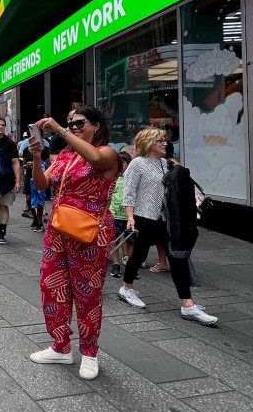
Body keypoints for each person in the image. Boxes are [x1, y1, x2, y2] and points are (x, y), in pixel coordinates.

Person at [27, 106, 120, 380]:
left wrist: (59, 129)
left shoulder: (108, 153)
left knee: (87, 294)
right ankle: (60, 346)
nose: (74, 127)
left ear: (97, 126)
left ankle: (89, 352)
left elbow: (95, 158)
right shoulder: (66, 156)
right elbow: (42, 184)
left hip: (90, 233)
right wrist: (36, 158)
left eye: (80, 123)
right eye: (71, 124)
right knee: (52, 287)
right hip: (58, 229)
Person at [118, 128, 216, 325]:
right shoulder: (137, 164)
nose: (165, 143)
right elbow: (129, 193)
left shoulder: (166, 163)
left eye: (165, 140)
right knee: (140, 255)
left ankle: (187, 304)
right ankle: (127, 288)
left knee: (176, 258)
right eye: (160, 141)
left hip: (166, 219)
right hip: (145, 217)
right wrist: (130, 217)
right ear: (148, 143)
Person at [108, 151, 132, 277]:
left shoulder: (132, 179)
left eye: (124, 163)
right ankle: (116, 263)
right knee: (115, 240)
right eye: (119, 163)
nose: (121, 165)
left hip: (129, 216)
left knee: (131, 241)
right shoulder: (112, 178)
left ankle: (131, 265)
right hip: (114, 215)